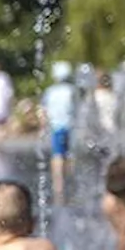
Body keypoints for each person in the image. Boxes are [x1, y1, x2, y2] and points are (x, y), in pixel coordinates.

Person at [41, 61, 78, 204]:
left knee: (57, 155)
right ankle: (71, 180)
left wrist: (44, 125)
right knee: (69, 154)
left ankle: (58, 184)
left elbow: (44, 110)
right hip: (69, 126)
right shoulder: (71, 90)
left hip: (56, 126)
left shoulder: (50, 91)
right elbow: (77, 109)